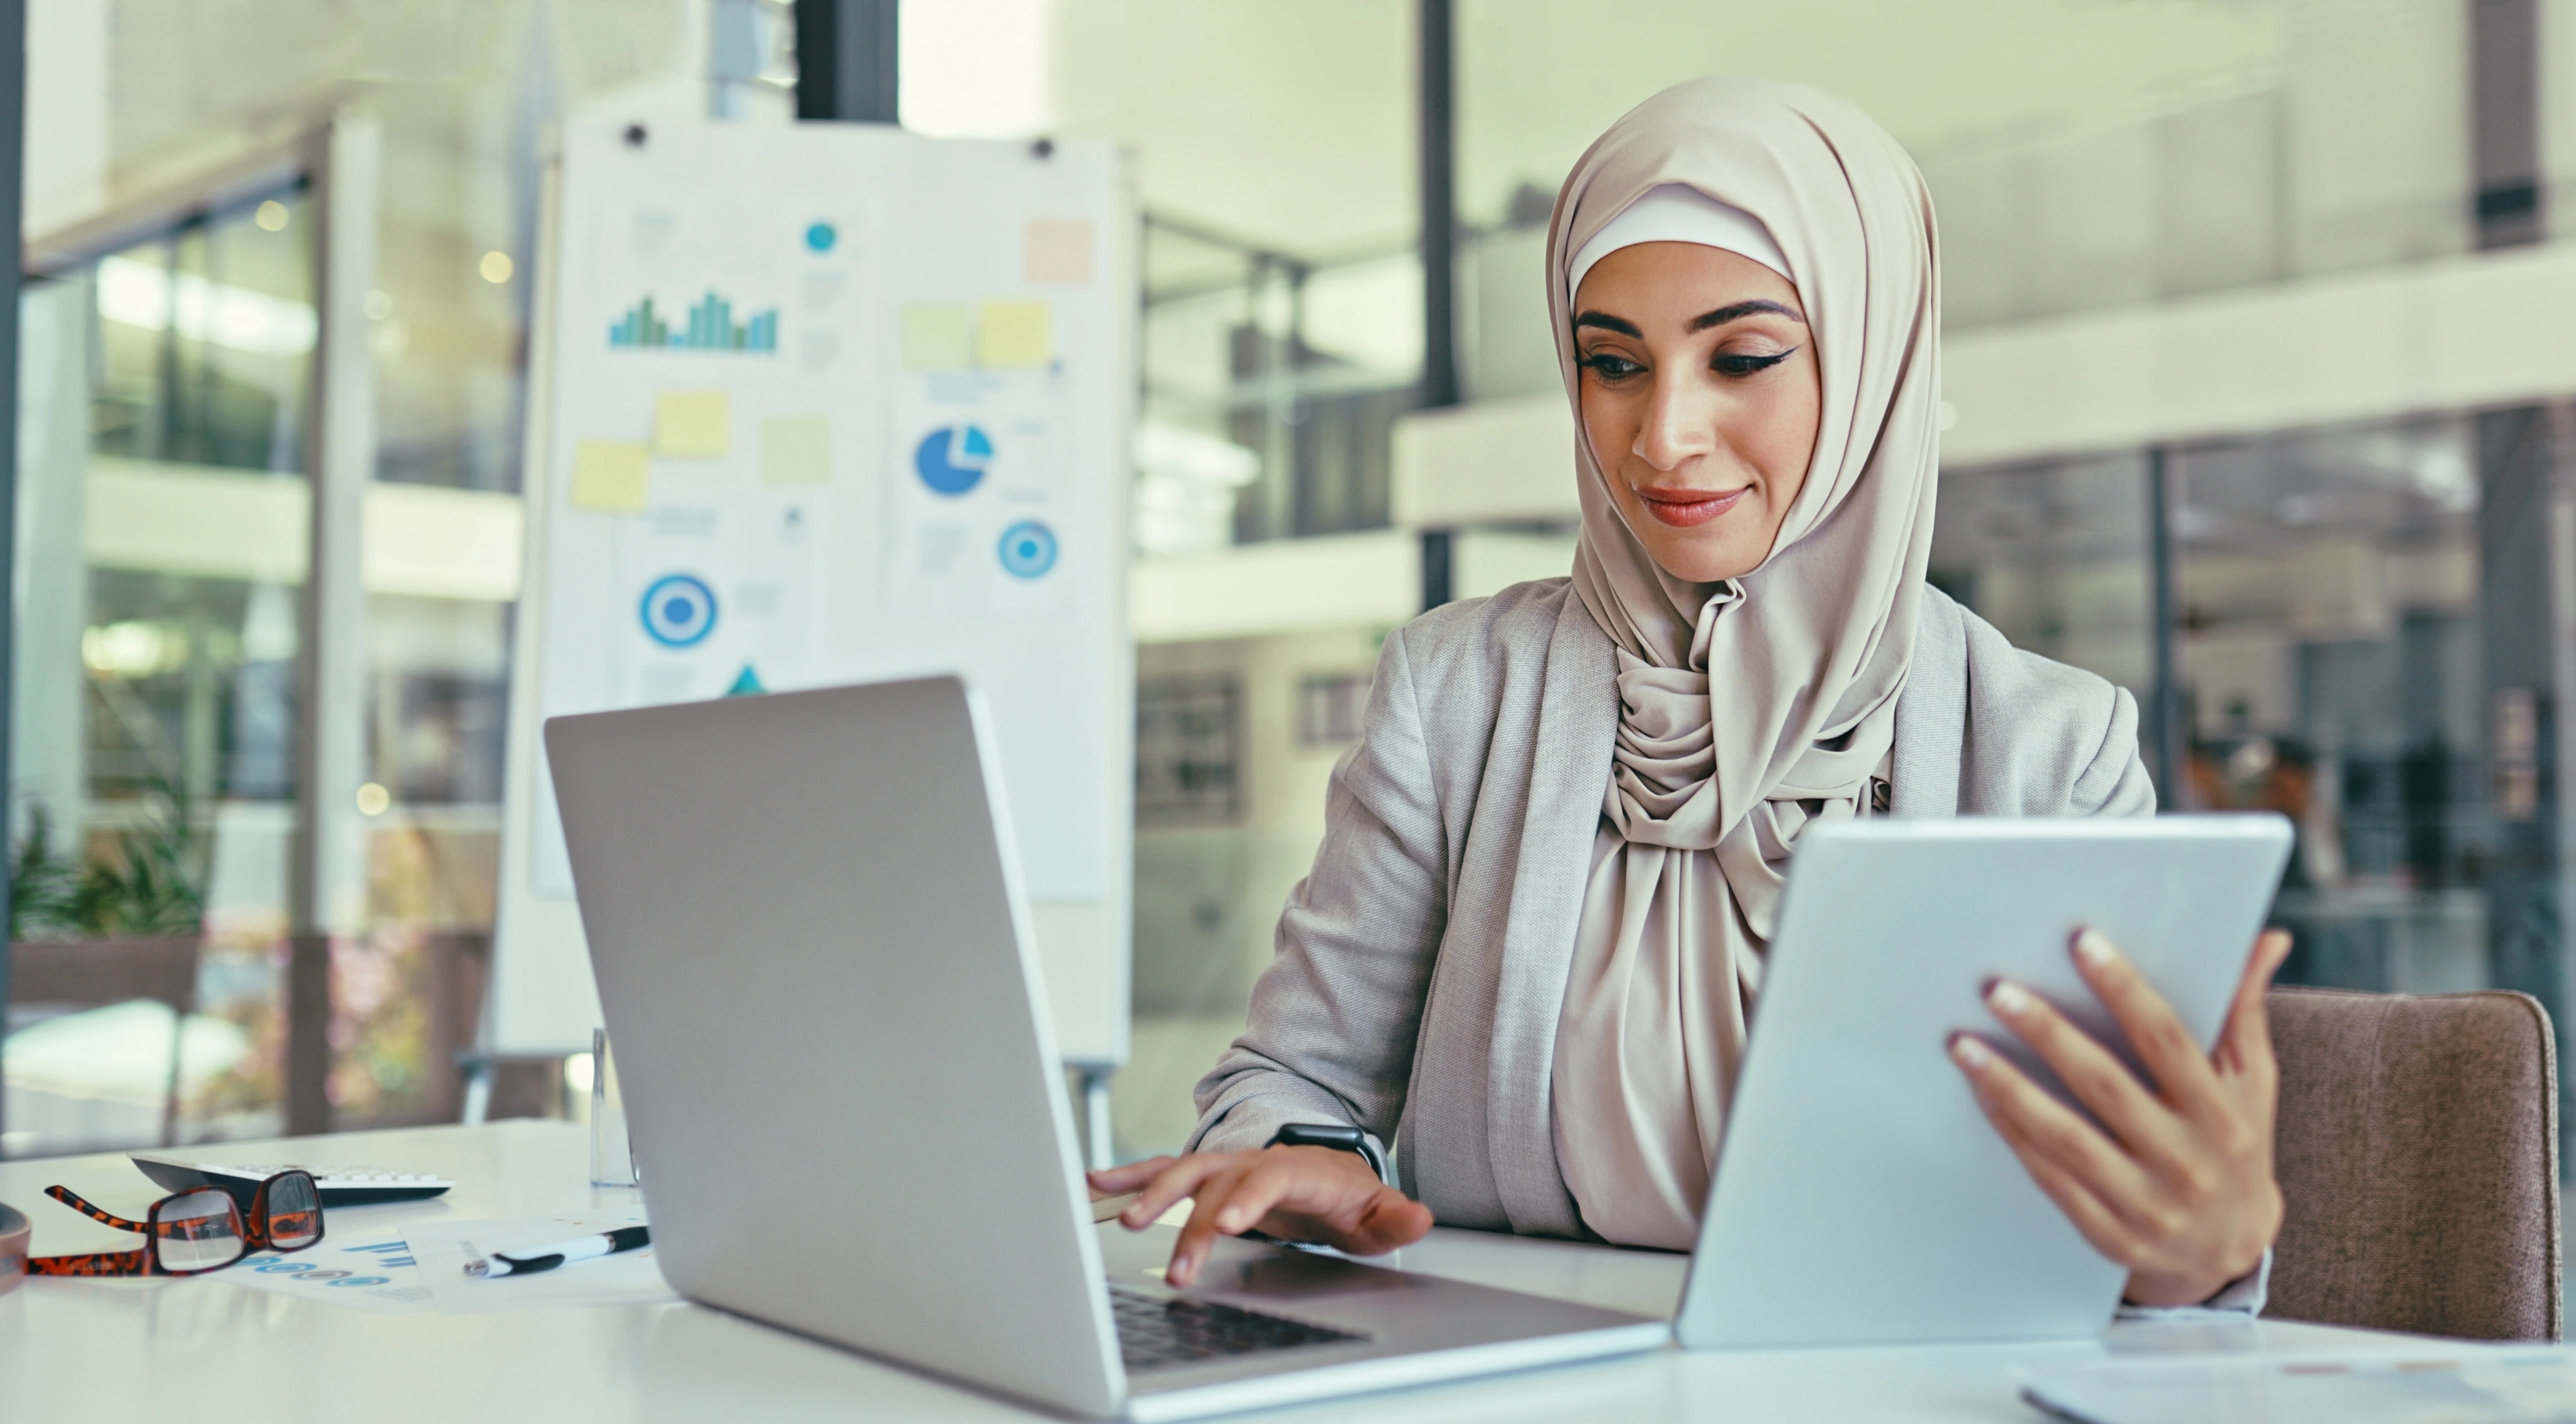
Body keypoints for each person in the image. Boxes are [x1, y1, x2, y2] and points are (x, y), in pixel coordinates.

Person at [1089, 77, 2287, 1313]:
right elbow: (1292, 1075)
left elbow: (2125, 1240)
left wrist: (2197, 1248)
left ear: (1870, 362)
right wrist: (1303, 1160)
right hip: (1507, 1373)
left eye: (1743, 356)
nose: (1662, 435)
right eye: (1611, 363)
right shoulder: (1454, 691)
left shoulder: (2048, 746)